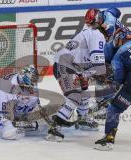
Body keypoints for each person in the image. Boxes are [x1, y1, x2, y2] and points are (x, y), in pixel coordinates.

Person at [46, 8, 107, 141]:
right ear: (99, 20)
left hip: (75, 67)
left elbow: (92, 62)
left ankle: (83, 118)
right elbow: (98, 62)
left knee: (84, 91)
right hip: (65, 67)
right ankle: (54, 127)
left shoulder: (89, 32)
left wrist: (98, 74)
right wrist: (106, 77)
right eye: (103, 18)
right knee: (75, 97)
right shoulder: (96, 34)